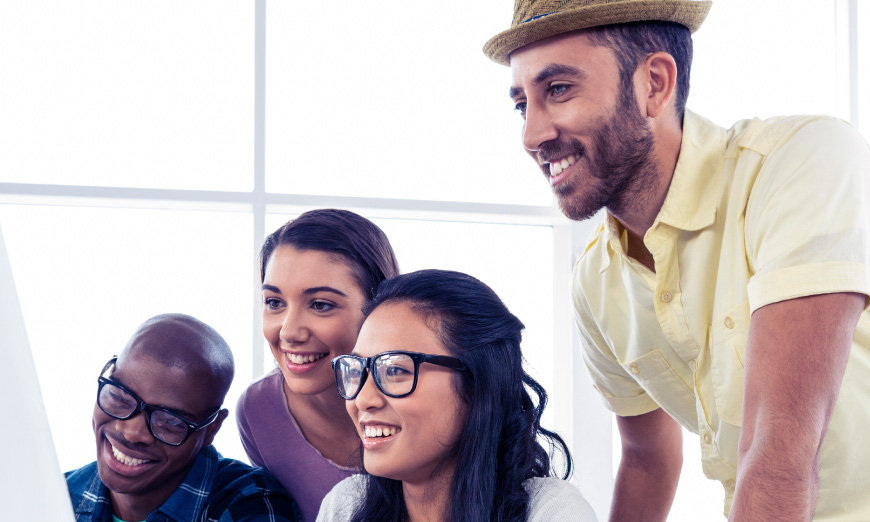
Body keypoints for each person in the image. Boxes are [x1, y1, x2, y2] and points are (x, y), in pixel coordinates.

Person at [483, 0, 870, 520]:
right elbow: (647, 458)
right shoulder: (595, 285)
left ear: (655, 84)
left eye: (558, 90)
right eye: (521, 104)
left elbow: (781, 455)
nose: (531, 135)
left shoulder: (802, 161)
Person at [317, 269, 597, 522]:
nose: (363, 400)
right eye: (357, 370)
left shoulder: (551, 511)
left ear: (478, 384)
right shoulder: (345, 507)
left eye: (394, 370)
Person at [236, 208, 400, 522]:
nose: (288, 332)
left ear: (379, 306)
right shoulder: (259, 411)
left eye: (320, 305)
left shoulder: (434, 399)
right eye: (274, 302)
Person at [65, 313, 298, 522]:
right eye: (121, 398)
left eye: (169, 420)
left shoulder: (249, 505)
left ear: (211, 429)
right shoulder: (52, 494)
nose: (131, 432)